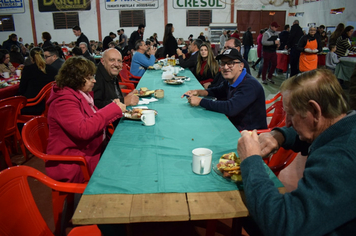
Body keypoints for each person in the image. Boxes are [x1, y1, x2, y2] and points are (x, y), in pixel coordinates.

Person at [237, 69, 355, 236]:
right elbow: (317, 134)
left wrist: (250, 159)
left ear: (314, 110)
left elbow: (282, 224)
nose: (288, 122)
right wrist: (280, 136)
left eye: (291, 114)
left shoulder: (340, 159)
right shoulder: (345, 126)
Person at [46, 56, 126, 183]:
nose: (94, 81)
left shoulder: (79, 95)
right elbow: (83, 130)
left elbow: (91, 117)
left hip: (90, 150)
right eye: (90, 78)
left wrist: (113, 108)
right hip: (75, 162)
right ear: (76, 79)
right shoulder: (63, 101)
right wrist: (112, 109)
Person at [182, 48, 267, 131]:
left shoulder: (249, 85)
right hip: (234, 125)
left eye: (230, 63)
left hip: (249, 135)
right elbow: (218, 91)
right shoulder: (232, 80)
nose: (225, 67)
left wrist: (200, 102)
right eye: (223, 63)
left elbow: (230, 108)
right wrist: (198, 92)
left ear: (241, 66)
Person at [93, 48, 139, 126]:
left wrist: (127, 98)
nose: (117, 64)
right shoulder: (95, 79)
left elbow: (114, 97)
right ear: (102, 61)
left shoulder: (110, 73)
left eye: (119, 61)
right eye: (112, 60)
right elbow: (96, 106)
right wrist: (123, 101)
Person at [18, 47, 57, 115]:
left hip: (33, 104)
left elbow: (22, 90)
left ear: (31, 58)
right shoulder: (53, 69)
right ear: (44, 56)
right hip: (49, 102)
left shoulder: (28, 70)